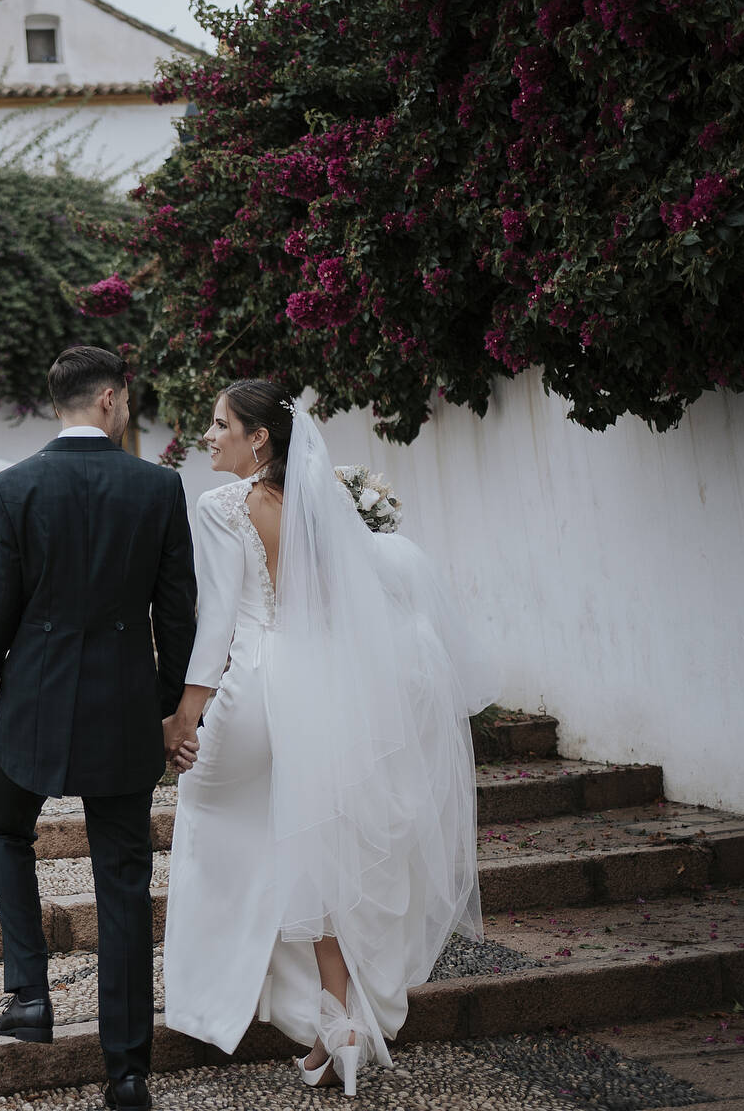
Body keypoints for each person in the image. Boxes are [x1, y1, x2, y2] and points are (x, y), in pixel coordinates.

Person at [161, 381, 495, 1096]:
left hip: (256, 685)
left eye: (220, 424)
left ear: (259, 438)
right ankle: (335, 1020)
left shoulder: (221, 506)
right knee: (311, 846)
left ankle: (211, 1001)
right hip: (324, 688)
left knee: (208, 813)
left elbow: (217, 623)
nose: (208, 436)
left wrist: (186, 716)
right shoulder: (322, 507)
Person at [0, 345, 198, 1111]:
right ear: (108, 399)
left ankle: (30, 994)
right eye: (125, 400)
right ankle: (127, 1075)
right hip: (126, 708)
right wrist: (168, 707)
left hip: (33, 700)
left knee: (4, 826)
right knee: (123, 881)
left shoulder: (13, 487)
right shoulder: (158, 487)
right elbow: (179, 612)